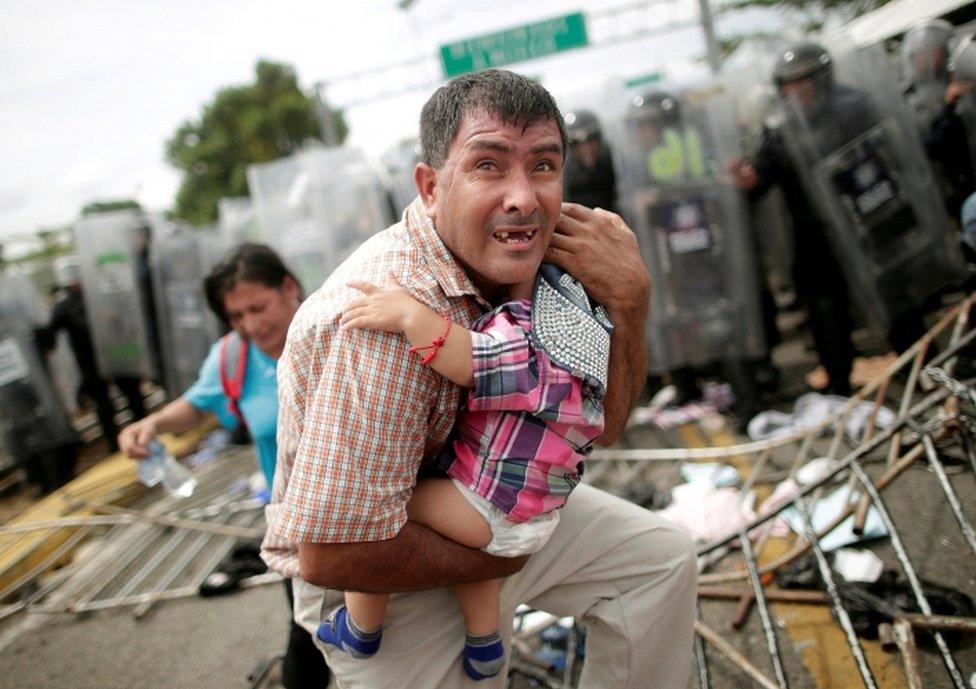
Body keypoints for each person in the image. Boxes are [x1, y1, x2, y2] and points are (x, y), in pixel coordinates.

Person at [261, 68, 697, 689]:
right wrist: (506, 550)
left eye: (543, 166)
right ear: (432, 187)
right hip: (376, 571)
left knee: (659, 562)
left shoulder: (543, 261)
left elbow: (605, 424)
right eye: (489, 165)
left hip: (490, 501)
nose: (523, 197)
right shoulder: (384, 318)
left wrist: (630, 303)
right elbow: (336, 553)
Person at [316, 264, 612, 680]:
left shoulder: (526, 334)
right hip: (533, 516)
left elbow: (469, 360)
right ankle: (484, 641)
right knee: (476, 554)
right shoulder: (587, 342)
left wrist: (408, 314)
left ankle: (361, 626)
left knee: (377, 513)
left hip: (484, 509)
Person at [117, 244, 330, 689]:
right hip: (298, 530)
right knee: (309, 636)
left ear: (289, 287)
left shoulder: (336, 329)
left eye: (258, 307)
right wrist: (152, 424)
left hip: (376, 517)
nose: (251, 325)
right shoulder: (234, 358)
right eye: (236, 316)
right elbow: (196, 406)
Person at [45, 256, 145, 452]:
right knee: (105, 405)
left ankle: (140, 431)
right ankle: (115, 443)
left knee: (130, 394)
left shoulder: (96, 296)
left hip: (112, 353)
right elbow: (52, 335)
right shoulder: (66, 305)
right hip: (90, 360)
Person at [563, 109, 618, 212]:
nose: (586, 150)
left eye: (592, 140)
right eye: (576, 144)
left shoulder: (613, 165)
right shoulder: (564, 176)